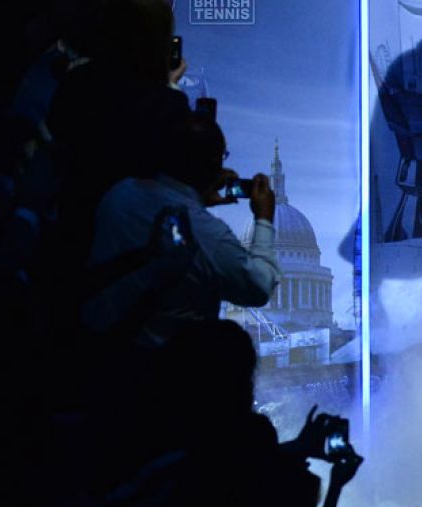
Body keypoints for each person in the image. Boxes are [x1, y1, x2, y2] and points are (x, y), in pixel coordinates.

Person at [82, 112, 281, 347]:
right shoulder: (209, 234)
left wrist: (196, 199)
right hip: (162, 368)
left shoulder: (118, 194)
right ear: (215, 165)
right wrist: (264, 219)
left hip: (98, 349)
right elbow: (258, 287)